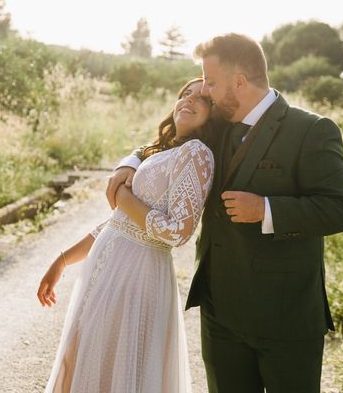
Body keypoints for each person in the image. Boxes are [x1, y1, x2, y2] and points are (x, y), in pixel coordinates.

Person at [107, 33, 343, 393]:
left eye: (210, 81)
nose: (205, 90)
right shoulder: (219, 124)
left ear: (239, 83)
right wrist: (130, 163)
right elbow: (167, 142)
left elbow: (341, 209)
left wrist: (266, 209)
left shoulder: (312, 130)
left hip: (286, 317)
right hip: (220, 314)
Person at [37, 78, 221, 393]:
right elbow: (120, 222)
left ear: (213, 115)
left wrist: (123, 196)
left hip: (138, 278)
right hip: (106, 273)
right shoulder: (161, 151)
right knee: (86, 363)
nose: (189, 100)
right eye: (185, 94)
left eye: (202, 99)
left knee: (119, 372)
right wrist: (63, 260)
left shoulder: (197, 153)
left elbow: (177, 231)